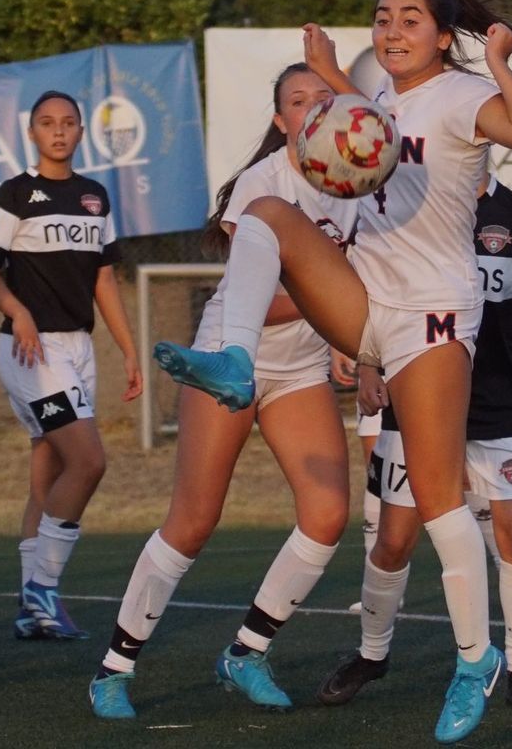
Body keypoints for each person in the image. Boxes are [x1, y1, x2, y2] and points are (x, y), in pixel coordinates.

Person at [151, 0, 512, 744]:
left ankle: (475, 660)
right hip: (366, 308)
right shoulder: (379, 103)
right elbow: (374, 124)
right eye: (382, 18)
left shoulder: (464, 93)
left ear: (442, 34)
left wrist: (499, 58)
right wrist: (332, 68)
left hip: (431, 318)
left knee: (437, 501)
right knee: (265, 209)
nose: (393, 30)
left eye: (410, 19)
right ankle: (234, 359)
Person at [89, 63, 357, 718]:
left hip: (298, 371)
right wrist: (348, 308)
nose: (312, 110)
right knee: (193, 521)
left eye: (324, 100)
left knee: (327, 516)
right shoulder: (260, 189)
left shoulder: (356, 183)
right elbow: (257, 301)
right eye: (298, 101)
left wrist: (356, 339)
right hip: (230, 355)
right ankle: (114, 668)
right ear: (280, 120)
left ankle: (246, 652)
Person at [319, 170, 512, 710]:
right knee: (393, 539)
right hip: (418, 400)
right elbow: (372, 298)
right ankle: (372, 654)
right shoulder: (406, 206)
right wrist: (365, 362)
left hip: (500, 407)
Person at [0, 91, 142, 641]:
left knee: (48, 472)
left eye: (69, 122)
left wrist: (128, 348)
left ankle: (31, 609)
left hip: (78, 349)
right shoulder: (14, 194)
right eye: (48, 123)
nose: (59, 131)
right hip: (32, 351)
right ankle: (42, 589)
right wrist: (17, 310)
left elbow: (104, 280)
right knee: (88, 461)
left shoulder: (94, 197)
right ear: (32, 133)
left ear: (80, 131)